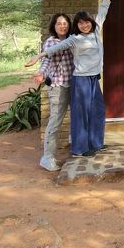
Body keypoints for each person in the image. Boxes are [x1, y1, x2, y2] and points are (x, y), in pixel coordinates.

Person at [26, 0, 118, 157]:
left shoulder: (97, 30)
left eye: (87, 22)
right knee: (81, 114)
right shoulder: (74, 39)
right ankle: (79, 149)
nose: (85, 25)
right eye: (81, 23)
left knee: (97, 111)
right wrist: (38, 56)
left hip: (94, 79)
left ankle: (96, 143)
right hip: (81, 80)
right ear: (77, 25)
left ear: (91, 22)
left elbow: (104, 9)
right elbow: (54, 48)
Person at [35, 13, 74, 172]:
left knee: (75, 117)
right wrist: (41, 73)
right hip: (57, 86)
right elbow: (46, 60)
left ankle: (75, 147)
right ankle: (47, 158)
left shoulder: (72, 40)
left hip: (74, 83)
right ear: (54, 26)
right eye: (59, 23)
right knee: (55, 121)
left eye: (65, 23)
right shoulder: (51, 41)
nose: (62, 26)